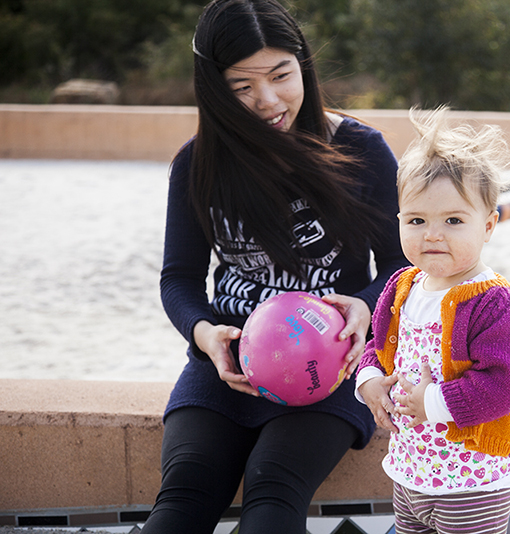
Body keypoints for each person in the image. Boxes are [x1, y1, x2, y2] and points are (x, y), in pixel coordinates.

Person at [141, 1, 408, 533]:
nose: (267, 101)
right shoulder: (198, 164)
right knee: (182, 501)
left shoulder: (361, 149)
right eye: (242, 86)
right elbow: (179, 278)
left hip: (330, 369)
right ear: (214, 88)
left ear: (302, 65)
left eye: (281, 75)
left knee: (273, 496)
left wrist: (366, 305)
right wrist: (204, 334)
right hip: (228, 366)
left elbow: (404, 264)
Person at [356, 107, 510, 534]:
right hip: (412, 469)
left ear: (488, 225)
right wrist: (368, 380)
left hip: (473, 478)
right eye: (416, 220)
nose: (432, 234)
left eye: (453, 221)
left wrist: (432, 404)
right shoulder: (403, 286)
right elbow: (378, 345)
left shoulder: (493, 303)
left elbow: (507, 383)